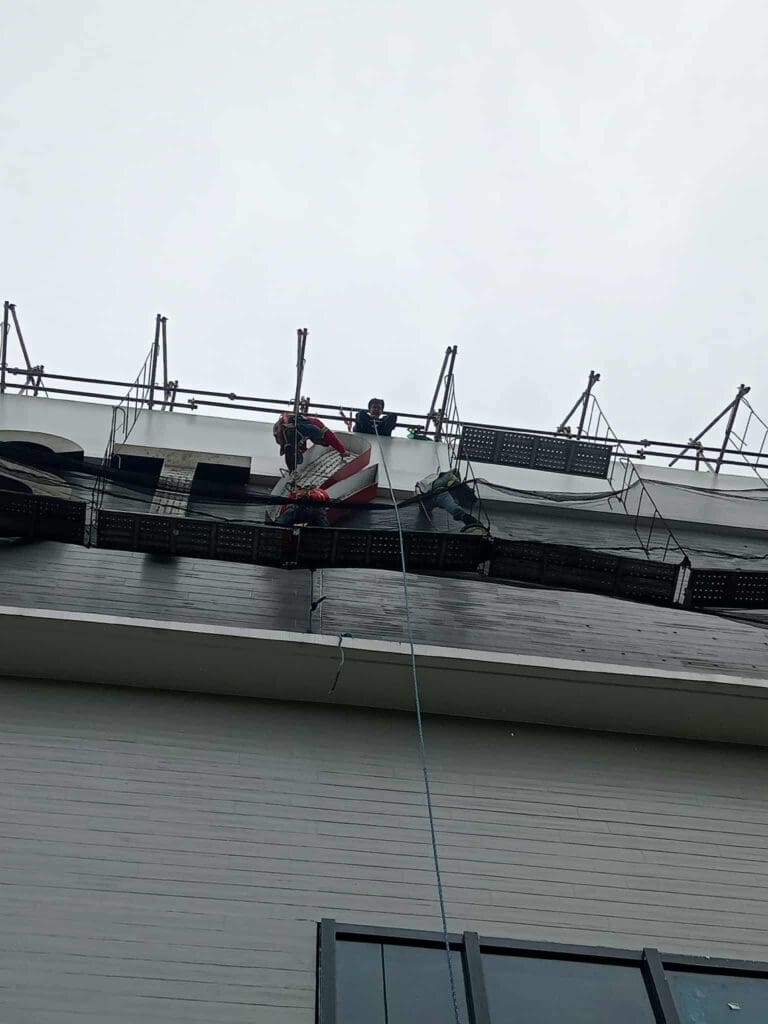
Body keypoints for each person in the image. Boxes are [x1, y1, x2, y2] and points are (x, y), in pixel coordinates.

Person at [415, 470, 486, 534]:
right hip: (428, 494)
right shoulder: (441, 493)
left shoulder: (451, 480)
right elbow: (453, 508)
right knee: (427, 507)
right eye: (464, 504)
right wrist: (469, 520)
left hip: (432, 487)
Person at [273, 412, 347, 472]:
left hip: (282, 430)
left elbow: (302, 440)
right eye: (319, 442)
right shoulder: (317, 427)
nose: (317, 443)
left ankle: (292, 470)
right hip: (285, 429)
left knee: (293, 452)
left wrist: (304, 451)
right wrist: (343, 451)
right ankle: (292, 470)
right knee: (293, 452)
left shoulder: (306, 429)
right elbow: (331, 438)